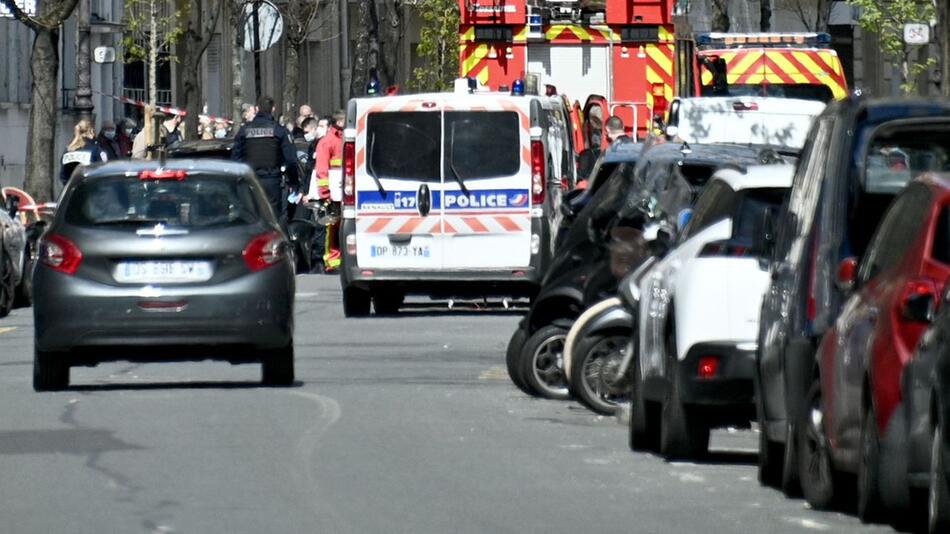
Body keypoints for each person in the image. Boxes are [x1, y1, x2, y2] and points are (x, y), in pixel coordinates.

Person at [231, 95, 300, 226]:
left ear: (257, 109)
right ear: (273, 109)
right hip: (272, 181)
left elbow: (236, 158)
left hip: (250, 181)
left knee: (251, 219)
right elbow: (291, 160)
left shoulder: (244, 131)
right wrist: (293, 182)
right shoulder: (279, 131)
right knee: (273, 220)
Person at [313, 109, 345, 272]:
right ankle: (332, 261)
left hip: (346, 192)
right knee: (332, 227)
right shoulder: (328, 141)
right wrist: (326, 194)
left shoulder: (346, 139)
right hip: (334, 194)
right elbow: (322, 170)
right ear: (339, 123)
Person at [60, 119, 101, 185]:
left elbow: (63, 175)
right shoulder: (95, 149)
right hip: (90, 189)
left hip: (72, 190)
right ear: (90, 131)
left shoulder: (68, 150)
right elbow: (102, 170)